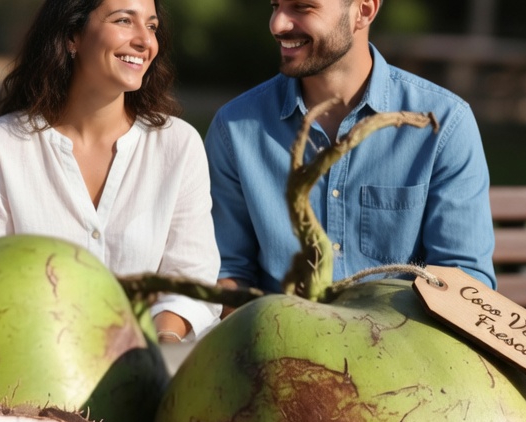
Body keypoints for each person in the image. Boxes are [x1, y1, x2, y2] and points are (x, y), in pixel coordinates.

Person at [0, 0, 220, 343]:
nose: (145, 41)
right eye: (124, 21)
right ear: (72, 35)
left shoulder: (178, 145)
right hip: (31, 361)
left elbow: (191, 280)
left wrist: (160, 348)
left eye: (151, 26)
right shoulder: (0, 146)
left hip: (150, 361)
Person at [206, 0, 496, 300]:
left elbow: (464, 282)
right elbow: (226, 271)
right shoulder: (234, 128)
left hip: (401, 330)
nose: (277, 24)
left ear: (364, 11)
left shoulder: (444, 124)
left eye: (302, 7)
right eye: (275, 5)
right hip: (274, 329)